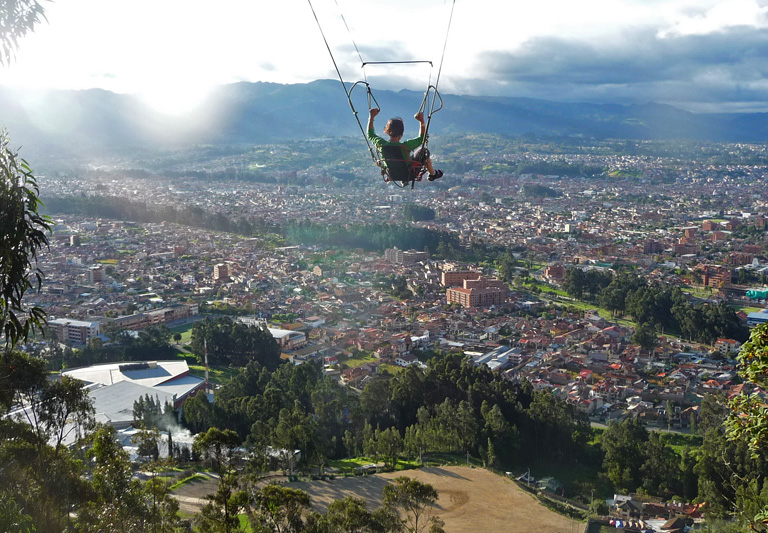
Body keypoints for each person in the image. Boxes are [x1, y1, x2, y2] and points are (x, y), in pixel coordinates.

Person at [367, 108, 444, 181]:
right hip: (408, 174)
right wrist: (421, 121)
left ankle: (431, 174)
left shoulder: (381, 144)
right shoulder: (406, 146)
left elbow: (370, 134)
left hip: (391, 174)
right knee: (423, 151)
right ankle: (433, 174)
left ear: (387, 131)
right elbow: (422, 138)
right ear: (402, 132)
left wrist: (371, 117)